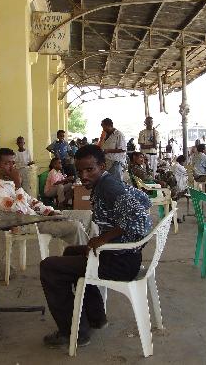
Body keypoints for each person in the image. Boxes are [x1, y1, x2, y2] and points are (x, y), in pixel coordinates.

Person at [40, 145, 152, 348]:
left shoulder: (109, 187)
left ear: (101, 166)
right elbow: (145, 200)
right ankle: (96, 318)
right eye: (79, 170)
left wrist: (103, 239)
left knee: (49, 267)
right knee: (70, 252)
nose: (84, 175)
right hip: (123, 255)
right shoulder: (106, 183)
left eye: (89, 169)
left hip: (120, 262)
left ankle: (73, 333)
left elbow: (138, 214)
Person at [0, 148, 87, 246]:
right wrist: (18, 185)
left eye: (13, 163)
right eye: (7, 163)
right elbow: (19, 213)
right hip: (25, 224)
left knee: (85, 216)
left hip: (38, 217)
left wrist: (49, 211)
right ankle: (86, 256)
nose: (12, 167)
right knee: (75, 226)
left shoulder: (10, 183)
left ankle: (96, 254)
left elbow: (31, 201)